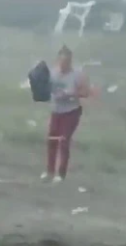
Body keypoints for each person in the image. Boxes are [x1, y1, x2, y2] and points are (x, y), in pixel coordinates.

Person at [41, 45, 89, 183]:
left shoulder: (77, 75)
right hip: (56, 111)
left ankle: (60, 174)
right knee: (52, 140)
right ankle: (49, 171)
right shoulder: (52, 73)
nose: (63, 65)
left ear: (70, 62)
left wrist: (70, 94)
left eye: (66, 62)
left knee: (63, 140)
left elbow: (86, 92)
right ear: (58, 60)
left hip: (71, 112)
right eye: (61, 62)